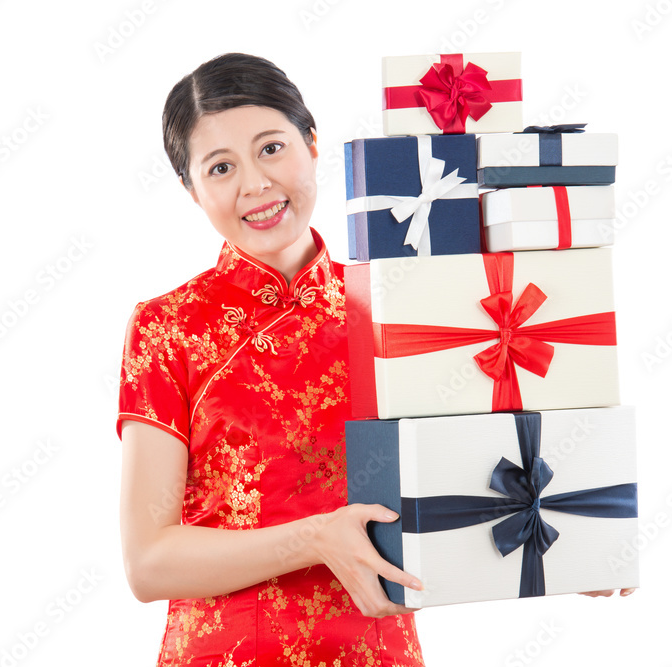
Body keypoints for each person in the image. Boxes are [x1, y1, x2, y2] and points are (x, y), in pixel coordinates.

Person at [116, 52, 633, 667]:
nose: (254, 183)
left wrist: (568, 538)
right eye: (221, 166)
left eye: (272, 148)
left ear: (313, 144)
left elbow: (464, 465)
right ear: (191, 190)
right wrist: (314, 539)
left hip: (378, 650)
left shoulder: (397, 304)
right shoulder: (167, 327)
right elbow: (148, 563)